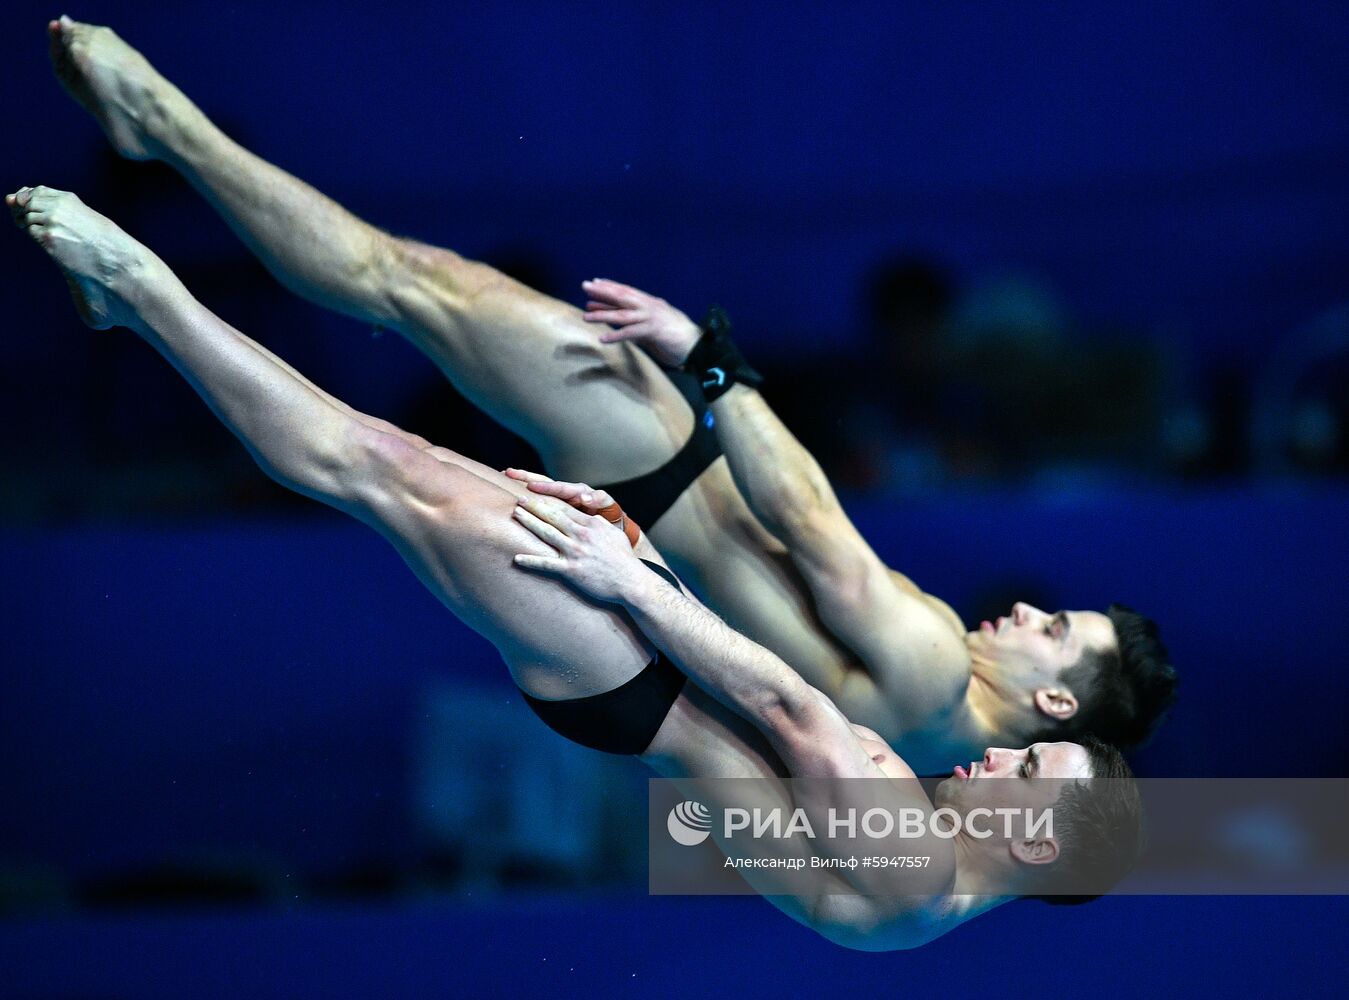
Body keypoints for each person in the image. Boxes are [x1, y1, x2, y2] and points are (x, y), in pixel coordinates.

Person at [7, 184, 1144, 949]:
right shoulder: (926, 869)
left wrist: (632, 579)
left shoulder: (918, 873)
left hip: (631, 672)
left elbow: (794, 715)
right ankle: (136, 302)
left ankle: (143, 292)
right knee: (390, 462)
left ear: (1034, 841)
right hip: (645, 663)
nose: (995, 765)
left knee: (379, 466)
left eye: (1023, 774)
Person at [42, 17, 1176, 774]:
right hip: (640, 585)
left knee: (398, 360)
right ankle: (156, 190)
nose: (1026, 612)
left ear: (1058, 704)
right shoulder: (928, 768)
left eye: (1052, 630)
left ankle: (158, 195)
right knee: (402, 369)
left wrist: (710, 358)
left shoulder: (933, 666)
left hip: (642, 559)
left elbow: (810, 524)